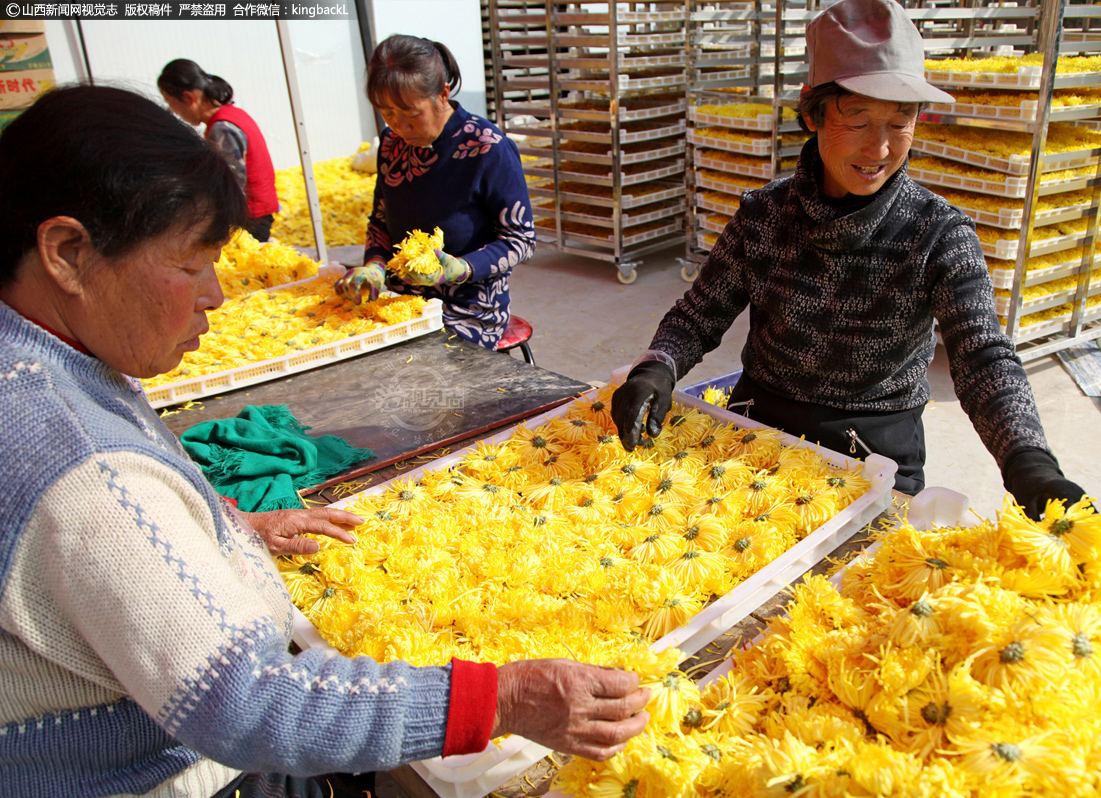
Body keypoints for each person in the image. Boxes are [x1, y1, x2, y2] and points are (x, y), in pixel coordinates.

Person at [0, 85, 648, 798]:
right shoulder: (80, 465)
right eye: (190, 265)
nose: (215, 295)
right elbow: (247, 703)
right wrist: (510, 699)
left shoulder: (42, 365)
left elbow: (87, 563)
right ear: (65, 252)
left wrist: (223, 525)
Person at [613, 0, 1085, 519]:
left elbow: (981, 357)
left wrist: (1028, 458)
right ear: (813, 113)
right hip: (755, 437)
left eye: (899, 123)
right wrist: (656, 366)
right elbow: (698, 315)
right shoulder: (765, 215)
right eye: (857, 119)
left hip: (875, 454)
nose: (879, 148)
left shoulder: (938, 233)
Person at [334, 35, 536, 348]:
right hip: (402, 300)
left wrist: (460, 268)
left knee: (423, 368)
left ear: (442, 94)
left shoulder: (487, 148)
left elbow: (521, 241)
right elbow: (379, 221)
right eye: (387, 114)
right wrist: (374, 266)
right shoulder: (390, 144)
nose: (401, 127)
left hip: (468, 307)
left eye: (412, 114)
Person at [158, 58, 280, 243]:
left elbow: (229, 184)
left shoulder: (222, 128)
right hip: (256, 213)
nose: (173, 111)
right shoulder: (233, 114)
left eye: (170, 103)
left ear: (189, 98)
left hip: (249, 218)